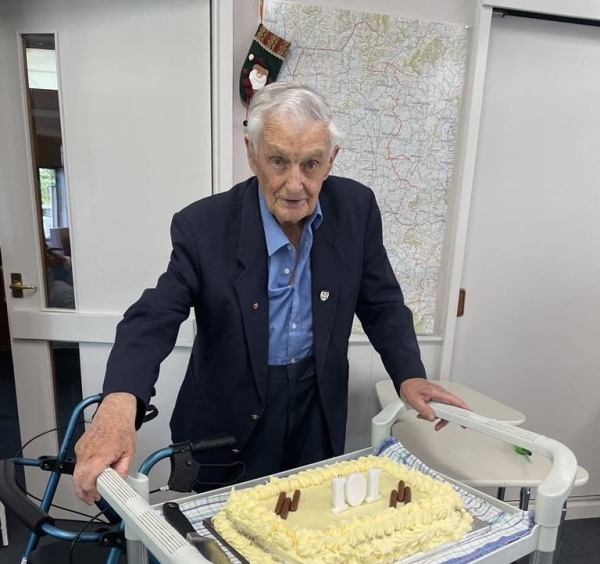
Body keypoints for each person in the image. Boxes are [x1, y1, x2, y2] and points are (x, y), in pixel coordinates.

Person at [73, 82, 468, 504]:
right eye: (279, 161)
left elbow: (382, 301)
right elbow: (154, 314)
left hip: (315, 406)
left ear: (331, 159)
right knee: (223, 541)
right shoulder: (203, 226)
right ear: (252, 151)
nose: (295, 185)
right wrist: (120, 400)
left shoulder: (357, 209)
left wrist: (409, 373)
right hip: (229, 412)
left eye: (311, 165)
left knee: (310, 522)